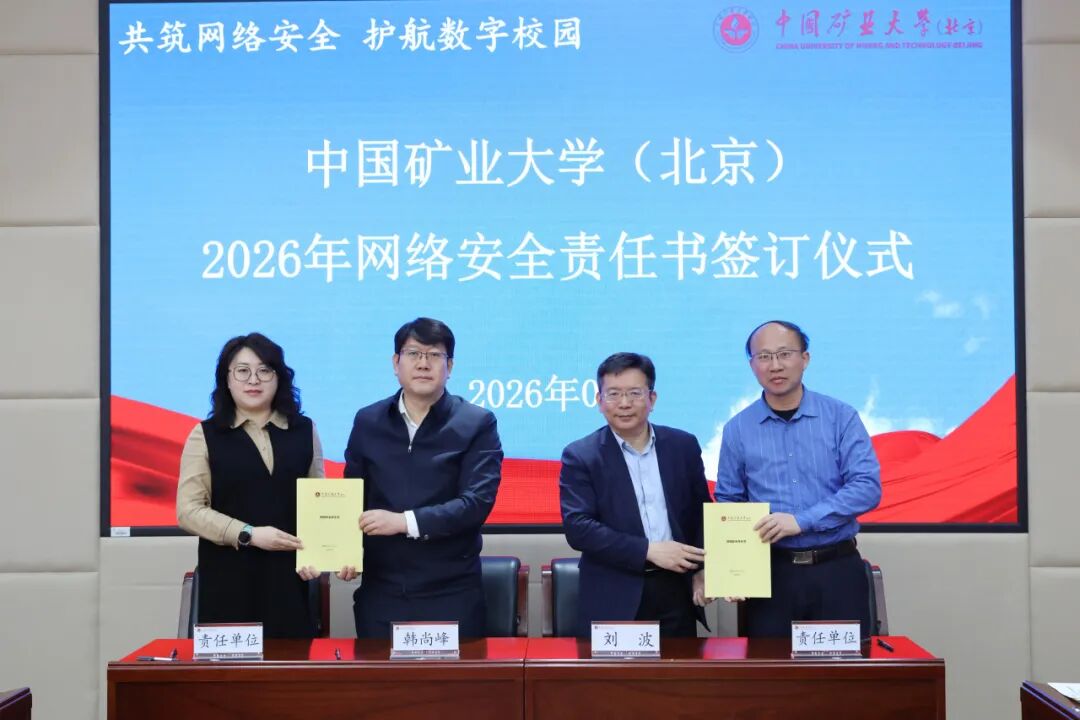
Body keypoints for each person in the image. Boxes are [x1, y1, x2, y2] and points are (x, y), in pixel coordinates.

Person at [715, 320, 882, 637]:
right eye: (764, 356)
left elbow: (866, 488)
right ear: (752, 365)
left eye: (784, 354)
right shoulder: (738, 429)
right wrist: (735, 568)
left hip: (836, 570)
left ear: (805, 359)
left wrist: (802, 521)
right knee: (770, 667)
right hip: (770, 575)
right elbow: (729, 501)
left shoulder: (840, 417)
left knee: (844, 666)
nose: (775, 365)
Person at [177, 332, 348, 638]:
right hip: (227, 582)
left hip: (289, 583)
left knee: (290, 666)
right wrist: (249, 534)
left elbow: (318, 502)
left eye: (264, 370)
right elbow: (188, 511)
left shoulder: (304, 430)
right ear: (227, 379)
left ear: (279, 377)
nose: (253, 380)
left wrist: (324, 554)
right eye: (242, 371)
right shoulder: (205, 435)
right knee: (230, 668)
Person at [344, 318, 503, 638]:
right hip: (382, 592)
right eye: (413, 353)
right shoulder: (368, 421)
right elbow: (352, 496)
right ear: (396, 363)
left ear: (450, 366)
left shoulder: (476, 423)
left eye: (434, 355)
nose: (423, 363)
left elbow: (475, 504)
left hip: (451, 593)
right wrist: (341, 550)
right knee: (378, 673)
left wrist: (403, 522)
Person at [560, 352, 713, 638]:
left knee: (678, 667)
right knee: (617, 670)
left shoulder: (682, 446)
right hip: (614, 592)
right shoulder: (581, 455)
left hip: (676, 590)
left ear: (652, 399)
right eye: (614, 394)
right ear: (599, 400)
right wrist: (647, 550)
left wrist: (702, 570)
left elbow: (702, 513)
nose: (624, 403)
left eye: (634, 393)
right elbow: (579, 529)